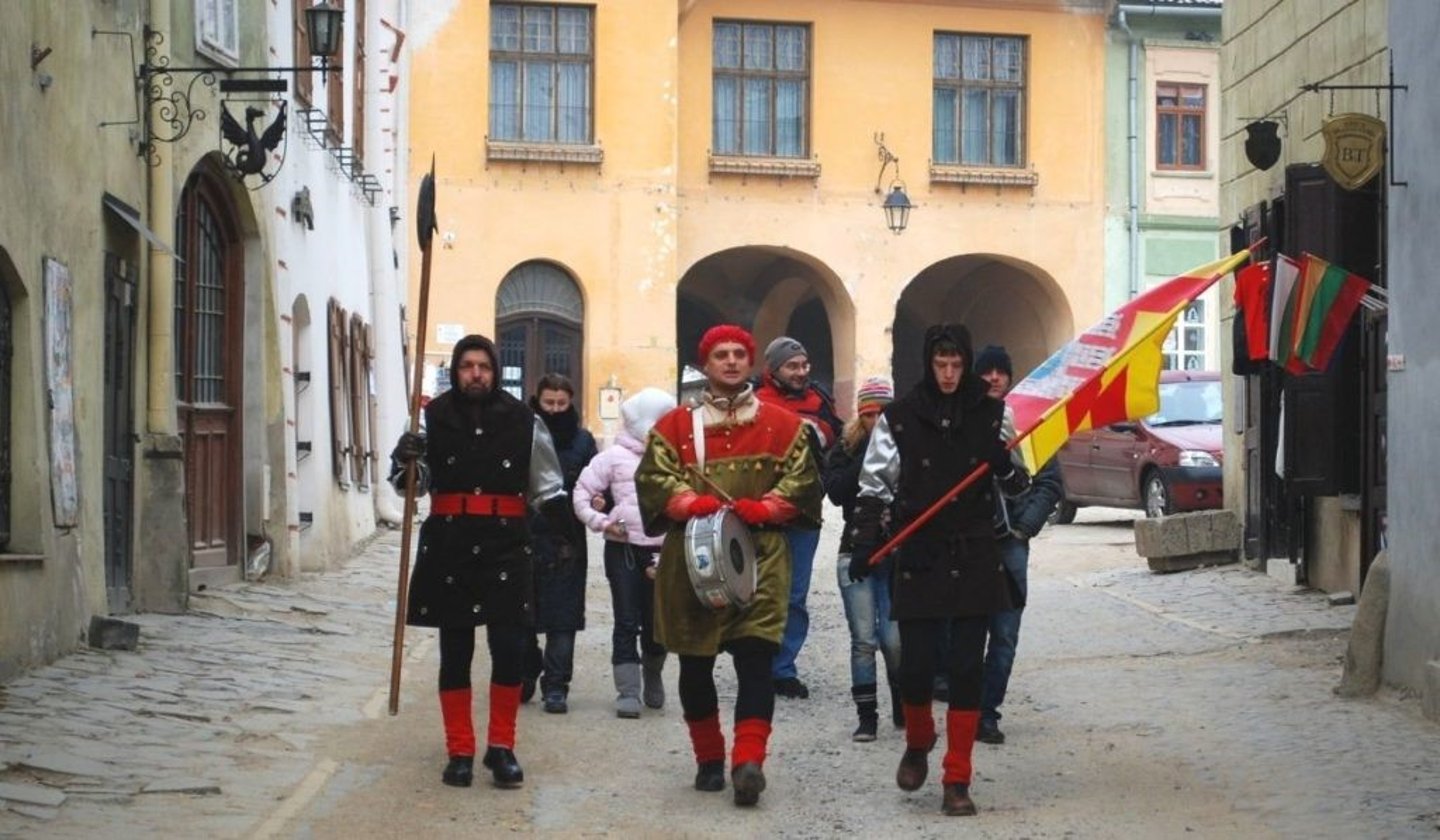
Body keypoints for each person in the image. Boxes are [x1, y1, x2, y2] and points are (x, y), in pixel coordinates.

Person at [635, 324, 823, 807]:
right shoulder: (675, 427)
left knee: (757, 662)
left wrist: (771, 508)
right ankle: (708, 759)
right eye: (721, 354)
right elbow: (655, 477)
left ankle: (748, 762)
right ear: (706, 364)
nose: (732, 361)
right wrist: (682, 502)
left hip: (762, 559)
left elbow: (803, 481)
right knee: (695, 665)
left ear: (752, 362)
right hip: (692, 561)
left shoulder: (784, 425)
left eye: (740, 353)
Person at [848, 323, 1029, 817]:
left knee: (968, 669)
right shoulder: (900, 418)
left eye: (956, 365)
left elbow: (1019, 488)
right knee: (918, 666)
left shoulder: (996, 416)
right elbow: (874, 486)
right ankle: (920, 738)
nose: (949, 374)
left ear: (965, 363)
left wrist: (1003, 466)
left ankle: (957, 778)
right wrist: (866, 544)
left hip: (973, 551)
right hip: (921, 549)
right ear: (928, 364)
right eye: (940, 365)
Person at [388, 334, 574, 790]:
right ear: (456, 370)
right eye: (468, 366)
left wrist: (565, 539)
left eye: (484, 367)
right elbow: (407, 485)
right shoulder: (430, 420)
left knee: (509, 649)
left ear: (494, 371)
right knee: (455, 652)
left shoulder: (524, 421)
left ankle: (501, 747)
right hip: (450, 542)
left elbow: (548, 486)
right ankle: (460, 750)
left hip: (506, 544)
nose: (476, 374)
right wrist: (407, 459)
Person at [972, 345, 1063, 746]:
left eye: (1000, 372)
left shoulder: (1028, 423)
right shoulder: (963, 421)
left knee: (1005, 633)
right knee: (968, 631)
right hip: (971, 543)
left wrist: (1024, 528)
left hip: (1010, 544)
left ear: (1010, 378)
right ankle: (965, 707)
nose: (993, 378)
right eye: (986, 372)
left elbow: (1049, 483)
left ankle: (988, 712)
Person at [572, 387, 677, 718]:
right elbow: (581, 493)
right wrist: (602, 523)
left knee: (658, 621)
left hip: (663, 550)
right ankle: (628, 690)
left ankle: (654, 672)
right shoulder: (611, 458)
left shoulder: (677, 457)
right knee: (626, 619)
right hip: (624, 551)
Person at [753, 336, 841, 700]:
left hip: (804, 512)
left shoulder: (818, 400)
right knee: (759, 591)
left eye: (804, 365)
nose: (801, 372)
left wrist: (818, 433)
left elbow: (837, 436)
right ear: (774, 369)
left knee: (795, 595)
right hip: (761, 512)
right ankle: (756, 662)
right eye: (793, 366)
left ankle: (783, 668)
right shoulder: (753, 401)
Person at [823, 376, 903, 742]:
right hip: (854, 550)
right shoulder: (846, 447)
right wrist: (871, 456)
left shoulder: (909, 445)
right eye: (869, 414)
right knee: (863, 639)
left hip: (896, 552)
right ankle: (867, 716)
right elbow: (836, 493)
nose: (876, 420)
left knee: (894, 639)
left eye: (883, 413)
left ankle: (902, 699)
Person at [525, 374, 598, 714]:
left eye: (561, 404)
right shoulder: (522, 433)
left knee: (563, 616)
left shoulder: (583, 441)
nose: (554, 410)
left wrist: (600, 501)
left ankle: (556, 686)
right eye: (548, 403)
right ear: (537, 401)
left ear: (570, 403)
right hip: (524, 533)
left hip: (566, 536)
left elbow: (598, 482)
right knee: (520, 611)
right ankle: (525, 671)